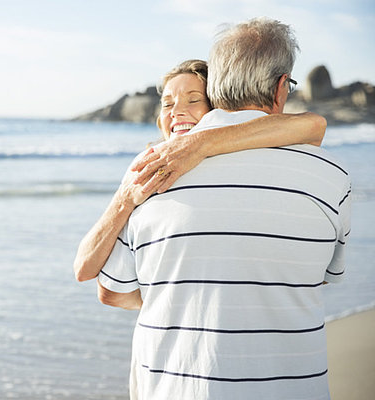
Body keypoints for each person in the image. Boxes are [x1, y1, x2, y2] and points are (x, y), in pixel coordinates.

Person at [93, 18, 351, 399]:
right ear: (282, 88)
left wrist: (186, 297)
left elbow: (111, 292)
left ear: (214, 88)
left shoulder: (151, 173)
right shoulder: (334, 177)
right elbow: (324, 274)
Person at [74, 59, 326, 283]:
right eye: (167, 104)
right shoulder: (146, 171)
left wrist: (200, 143)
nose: (177, 112)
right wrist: (124, 199)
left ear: (217, 109)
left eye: (194, 100)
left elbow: (311, 125)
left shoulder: (235, 158)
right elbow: (83, 269)